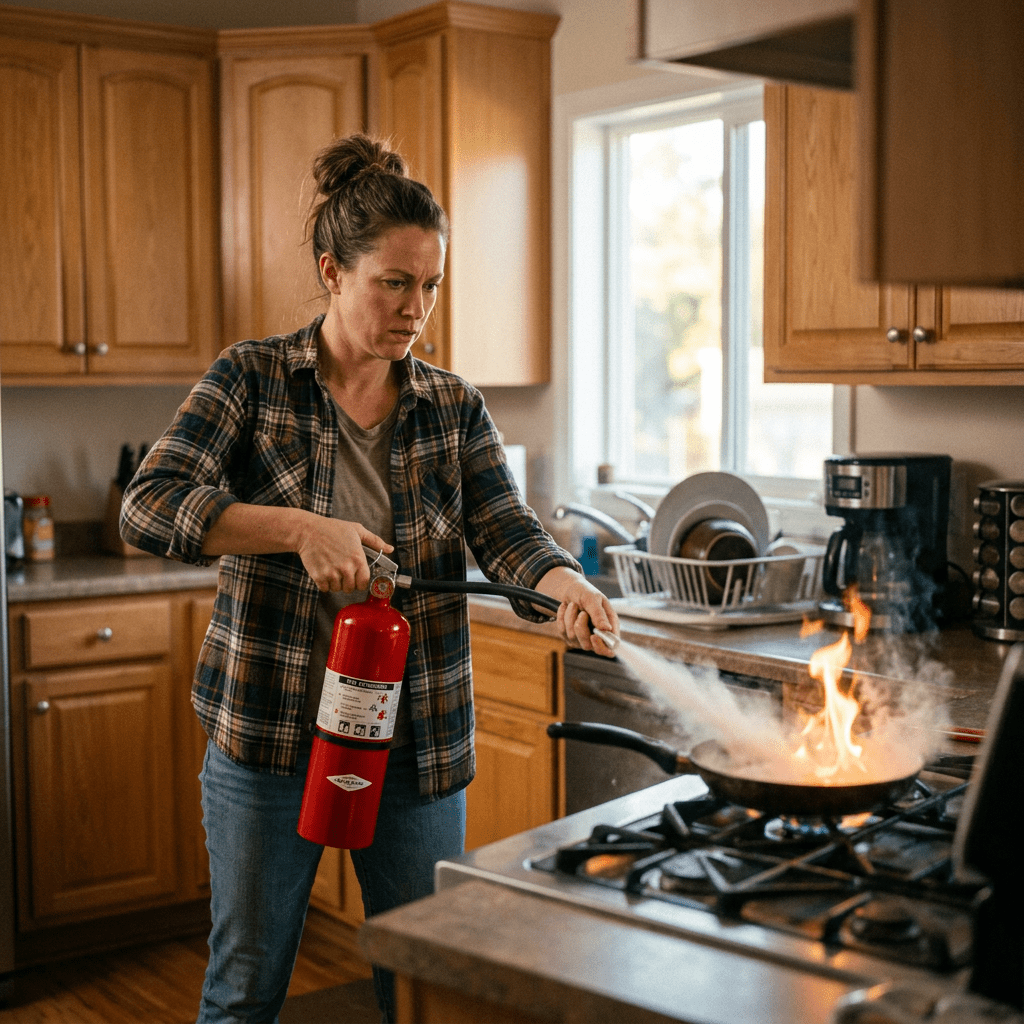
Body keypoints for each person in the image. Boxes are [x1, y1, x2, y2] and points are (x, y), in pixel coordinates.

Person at [120, 132, 619, 1024]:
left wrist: (562, 583)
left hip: (416, 743)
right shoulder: (252, 380)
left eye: (431, 284)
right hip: (269, 736)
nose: (416, 307)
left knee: (422, 986)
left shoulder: (453, 406)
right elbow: (148, 505)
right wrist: (295, 529)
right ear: (333, 271)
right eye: (394, 282)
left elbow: (507, 532)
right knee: (245, 989)